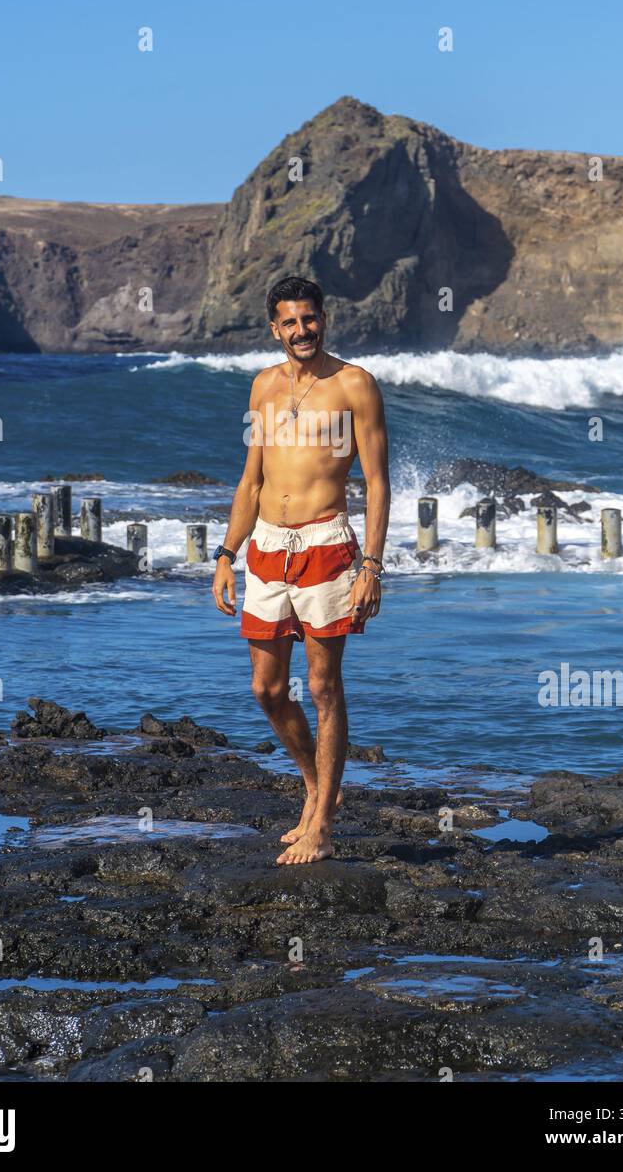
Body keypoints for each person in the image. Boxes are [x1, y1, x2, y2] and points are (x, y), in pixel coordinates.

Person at [211, 276, 390, 864]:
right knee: (267, 689)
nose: (301, 330)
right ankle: (316, 789)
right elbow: (250, 479)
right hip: (266, 545)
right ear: (275, 328)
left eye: (308, 319)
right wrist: (226, 554)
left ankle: (322, 827)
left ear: (323, 320)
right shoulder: (264, 386)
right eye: (289, 322)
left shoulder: (354, 385)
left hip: (327, 544)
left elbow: (377, 482)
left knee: (322, 686)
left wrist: (372, 564)